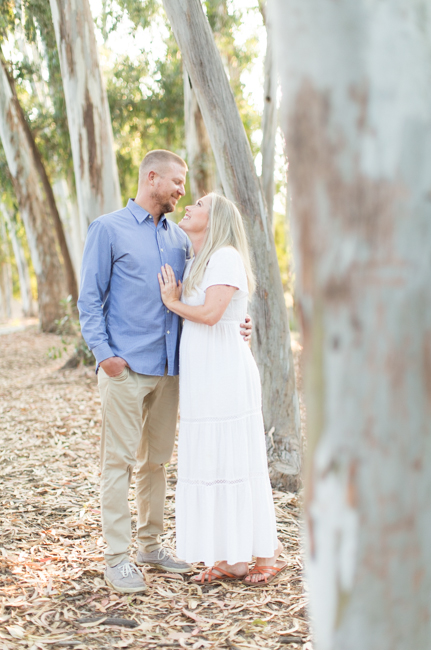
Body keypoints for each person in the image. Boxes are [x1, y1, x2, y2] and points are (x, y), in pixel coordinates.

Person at [77, 150, 252, 594]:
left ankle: (150, 546)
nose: (181, 191)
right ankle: (117, 558)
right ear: (151, 177)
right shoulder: (107, 229)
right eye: (176, 182)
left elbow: (206, 294)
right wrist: (105, 355)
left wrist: (238, 321)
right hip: (125, 370)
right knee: (117, 462)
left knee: (155, 463)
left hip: (172, 372)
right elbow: (88, 300)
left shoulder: (180, 238)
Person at [158, 193, 286, 585]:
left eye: (198, 203)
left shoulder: (226, 255)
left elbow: (212, 315)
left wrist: (172, 302)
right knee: (214, 462)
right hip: (203, 377)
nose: (189, 206)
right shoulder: (197, 260)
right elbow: (227, 313)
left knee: (239, 461)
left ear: (215, 219)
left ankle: (266, 556)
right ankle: (233, 559)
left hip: (227, 374)